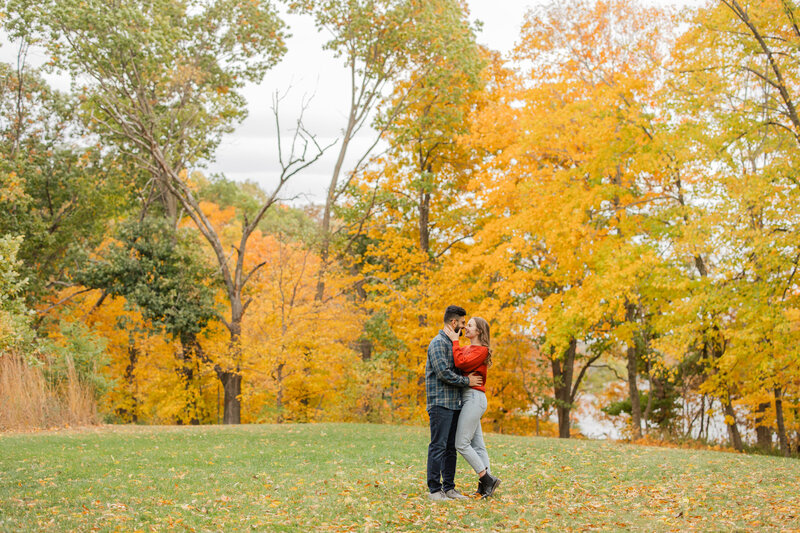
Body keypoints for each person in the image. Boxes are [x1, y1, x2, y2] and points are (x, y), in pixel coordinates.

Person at [426, 305, 484, 501]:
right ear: (453, 323)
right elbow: (443, 373)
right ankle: (434, 490)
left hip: (455, 403)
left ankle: (449, 488)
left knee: (451, 448)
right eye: (462, 323)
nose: (464, 327)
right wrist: (467, 381)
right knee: (438, 446)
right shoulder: (437, 344)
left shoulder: (453, 344)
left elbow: (461, 364)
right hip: (440, 403)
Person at [444, 317, 501, 498]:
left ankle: (487, 479)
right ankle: (486, 487)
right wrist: (456, 343)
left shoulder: (482, 351)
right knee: (478, 445)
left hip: (475, 398)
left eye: (469, 325)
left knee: (461, 443)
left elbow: (461, 363)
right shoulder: (467, 348)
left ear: (479, 332)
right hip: (468, 397)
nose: (465, 327)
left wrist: (455, 341)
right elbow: (456, 360)